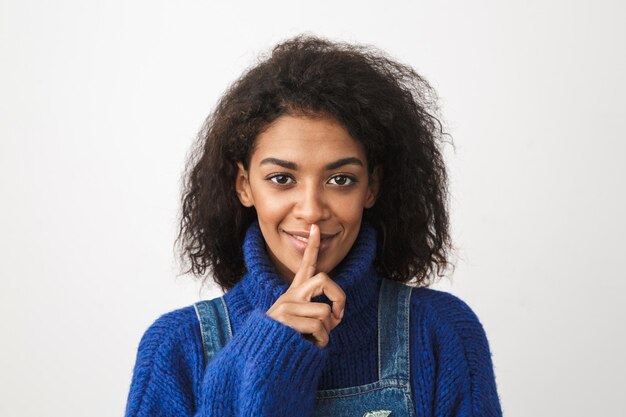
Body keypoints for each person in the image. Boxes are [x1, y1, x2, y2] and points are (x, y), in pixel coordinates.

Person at [124, 35, 503, 417]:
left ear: (371, 187)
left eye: (340, 179)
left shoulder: (441, 332)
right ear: (244, 186)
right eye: (282, 179)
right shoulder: (176, 347)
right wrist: (267, 348)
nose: (311, 210)